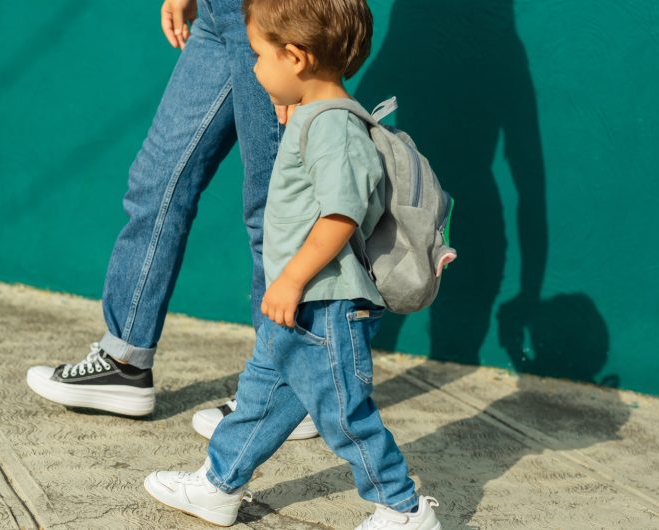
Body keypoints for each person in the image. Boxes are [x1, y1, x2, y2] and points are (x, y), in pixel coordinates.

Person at [143, 0, 441, 528]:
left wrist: (292, 279)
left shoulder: (334, 130)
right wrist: (296, 105)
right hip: (303, 308)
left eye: (259, 55)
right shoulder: (318, 117)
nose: (252, 69)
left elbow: (341, 214)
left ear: (297, 58)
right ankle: (219, 485)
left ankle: (403, 507)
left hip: (325, 306)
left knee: (345, 417)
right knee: (259, 400)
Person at [25, 0, 318, 439]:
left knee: (274, 209)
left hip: (278, 12)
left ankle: (288, 389)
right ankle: (124, 362)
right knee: (156, 182)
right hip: (221, 13)